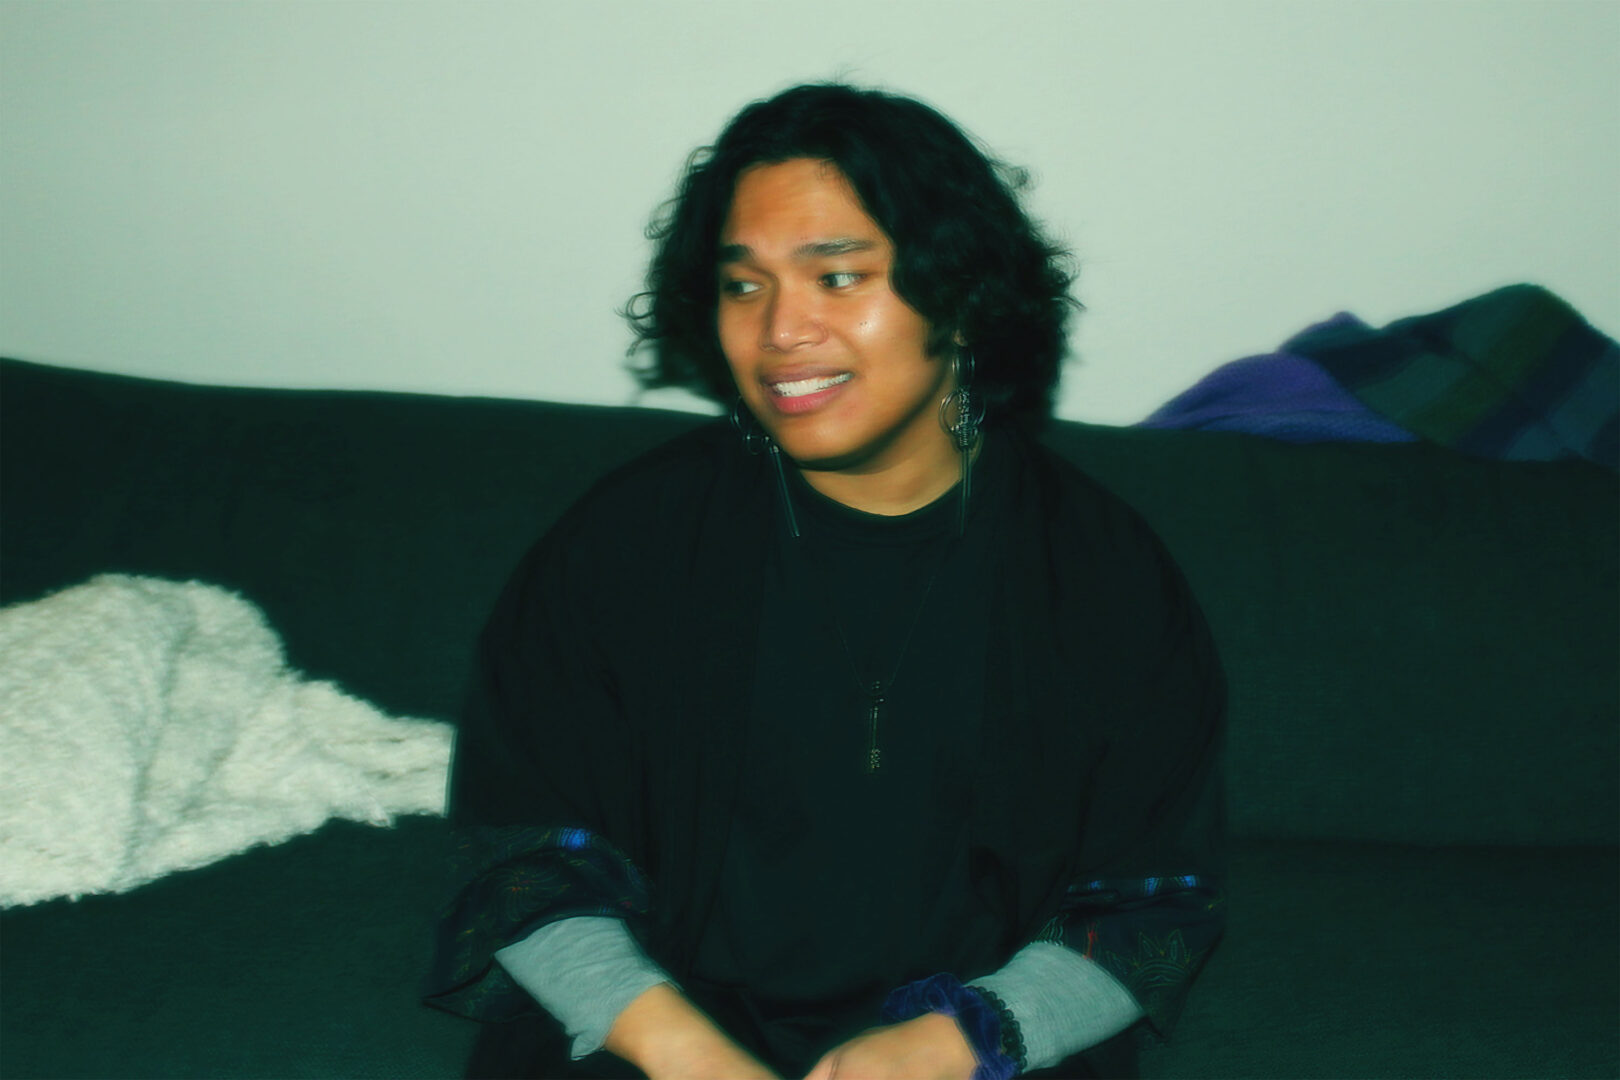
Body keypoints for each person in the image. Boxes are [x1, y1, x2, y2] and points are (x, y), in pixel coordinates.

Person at [425, 83, 1225, 1080]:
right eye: (743, 286)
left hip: (968, 1042)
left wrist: (956, 1042)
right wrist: (680, 1049)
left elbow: (1148, 907)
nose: (779, 330)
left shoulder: (1102, 575)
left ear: (962, 295)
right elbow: (522, 857)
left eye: (837, 278)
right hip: (658, 1032)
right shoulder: (626, 542)